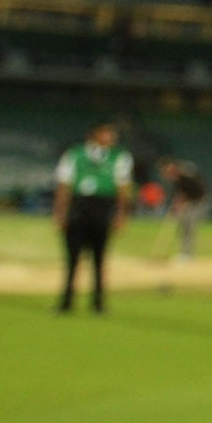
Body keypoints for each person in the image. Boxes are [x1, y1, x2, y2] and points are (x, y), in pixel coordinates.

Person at [53, 119, 132, 314]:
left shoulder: (120, 157)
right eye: (106, 133)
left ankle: (98, 303)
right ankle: (67, 302)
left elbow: (123, 188)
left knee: (99, 259)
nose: (111, 138)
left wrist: (121, 214)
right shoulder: (75, 154)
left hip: (102, 206)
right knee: (72, 258)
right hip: (79, 206)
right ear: (94, 134)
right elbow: (64, 184)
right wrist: (60, 213)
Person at [158, 158, 212, 262]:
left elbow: (188, 194)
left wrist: (178, 207)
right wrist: (175, 208)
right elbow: (180, 196)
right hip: (192, 201)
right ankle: (185, 253)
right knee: (184, 226)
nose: (166, 174)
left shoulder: (186, 174)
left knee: (189, 225)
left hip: (199, 201)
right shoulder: (178, 179)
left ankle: (188, 255)